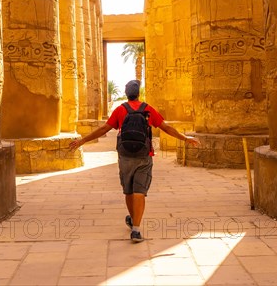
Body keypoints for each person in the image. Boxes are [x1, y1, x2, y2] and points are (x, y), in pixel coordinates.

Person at [69, 79, 201, 243]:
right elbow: (165, 127)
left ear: (126, 94)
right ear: (138, 93)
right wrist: (185, 138)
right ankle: (136, 230)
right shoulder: (148, 109)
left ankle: (133, 219)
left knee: (129, 190)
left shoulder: (120, 110)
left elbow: (104, 129)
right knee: (140, 192)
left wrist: (82, 141)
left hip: (125, 156)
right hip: (144, 155)